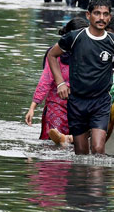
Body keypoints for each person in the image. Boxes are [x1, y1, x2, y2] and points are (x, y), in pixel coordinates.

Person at [46, 0, 114, 155]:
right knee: (81, 153)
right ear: (88, 15)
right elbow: (52, 55)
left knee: (97, 148)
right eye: (97, 13)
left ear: (110, 17)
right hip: (76, 101)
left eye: (105, 14)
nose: (101, 18)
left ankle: (98, 179)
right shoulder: (74, 37)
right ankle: (82, 179)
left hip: (101, 102)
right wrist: (60, 83)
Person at [25, 18, 88, 146]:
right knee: (53, 142)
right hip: (56, 104)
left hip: (79, 106)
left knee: (75, 145)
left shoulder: (90, 54)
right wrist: (32, 108)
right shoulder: (55, 54)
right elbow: (45, 81)